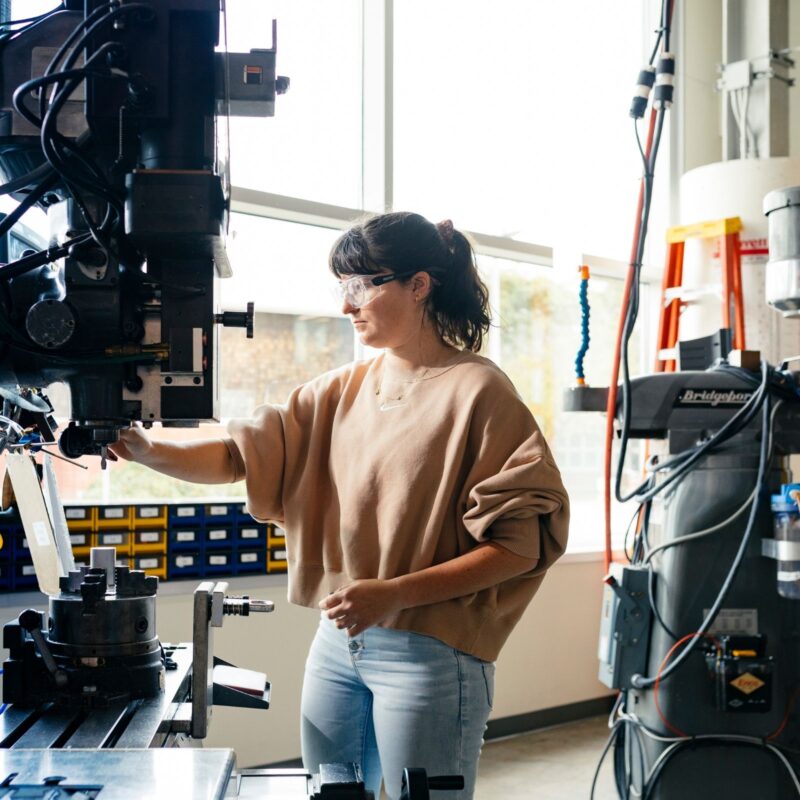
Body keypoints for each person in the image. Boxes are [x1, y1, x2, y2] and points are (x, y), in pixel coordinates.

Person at [109, 211, 569, 800]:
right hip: (339, 639)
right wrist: (146, 449)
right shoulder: (336, 390)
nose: (346, 304)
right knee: (328, 792)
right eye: (342, 287)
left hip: (430, 652)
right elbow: (235, 455)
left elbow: (515, 550)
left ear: (418, 284)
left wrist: (395, 593)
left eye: (360, 285)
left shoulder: (479, 391)